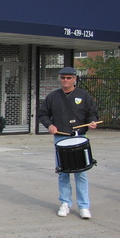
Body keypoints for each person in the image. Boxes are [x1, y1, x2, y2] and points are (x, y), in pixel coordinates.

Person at [38, 67, 99, 219]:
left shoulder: (83, 95)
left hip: (79, 136)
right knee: (63, 172)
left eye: (69, 78)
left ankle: (84, 206)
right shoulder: (53, 96)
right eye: (63, 78)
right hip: (61, 137)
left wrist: (92, 122)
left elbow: (92, 113)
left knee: (81, 172)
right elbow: (43, 114)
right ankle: (65, 203)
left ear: (74, 79)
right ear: (60, 79)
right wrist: (50, 125)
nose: (66, 80)